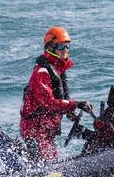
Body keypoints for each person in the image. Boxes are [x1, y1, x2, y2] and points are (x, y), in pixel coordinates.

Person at [19, 26, 91, 162]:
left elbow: (61, 98)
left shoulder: (57, 71)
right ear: (50, 47)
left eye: (67, 46)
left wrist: (70, 112)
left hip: (47, 131)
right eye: (61, 46)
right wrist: (76, 104)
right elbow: (49, 103)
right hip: (36, 131)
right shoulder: (41, 73)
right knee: (45, 165)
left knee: (51, 160)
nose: (65, 50)